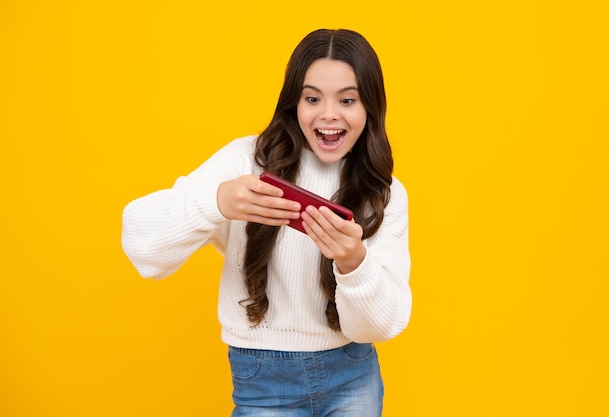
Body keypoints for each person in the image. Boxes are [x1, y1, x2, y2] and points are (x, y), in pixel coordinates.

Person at [122, 28, 412, 417]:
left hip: (353, 375)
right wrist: (217, 201)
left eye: (347, 100)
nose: (328, 114)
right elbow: (142, 247)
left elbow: (381, 326)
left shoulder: (385, 192)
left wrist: (354, 262)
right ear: (293, 102)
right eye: (312, 98)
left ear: (370, 108)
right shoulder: (246, 161)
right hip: (263, 380)